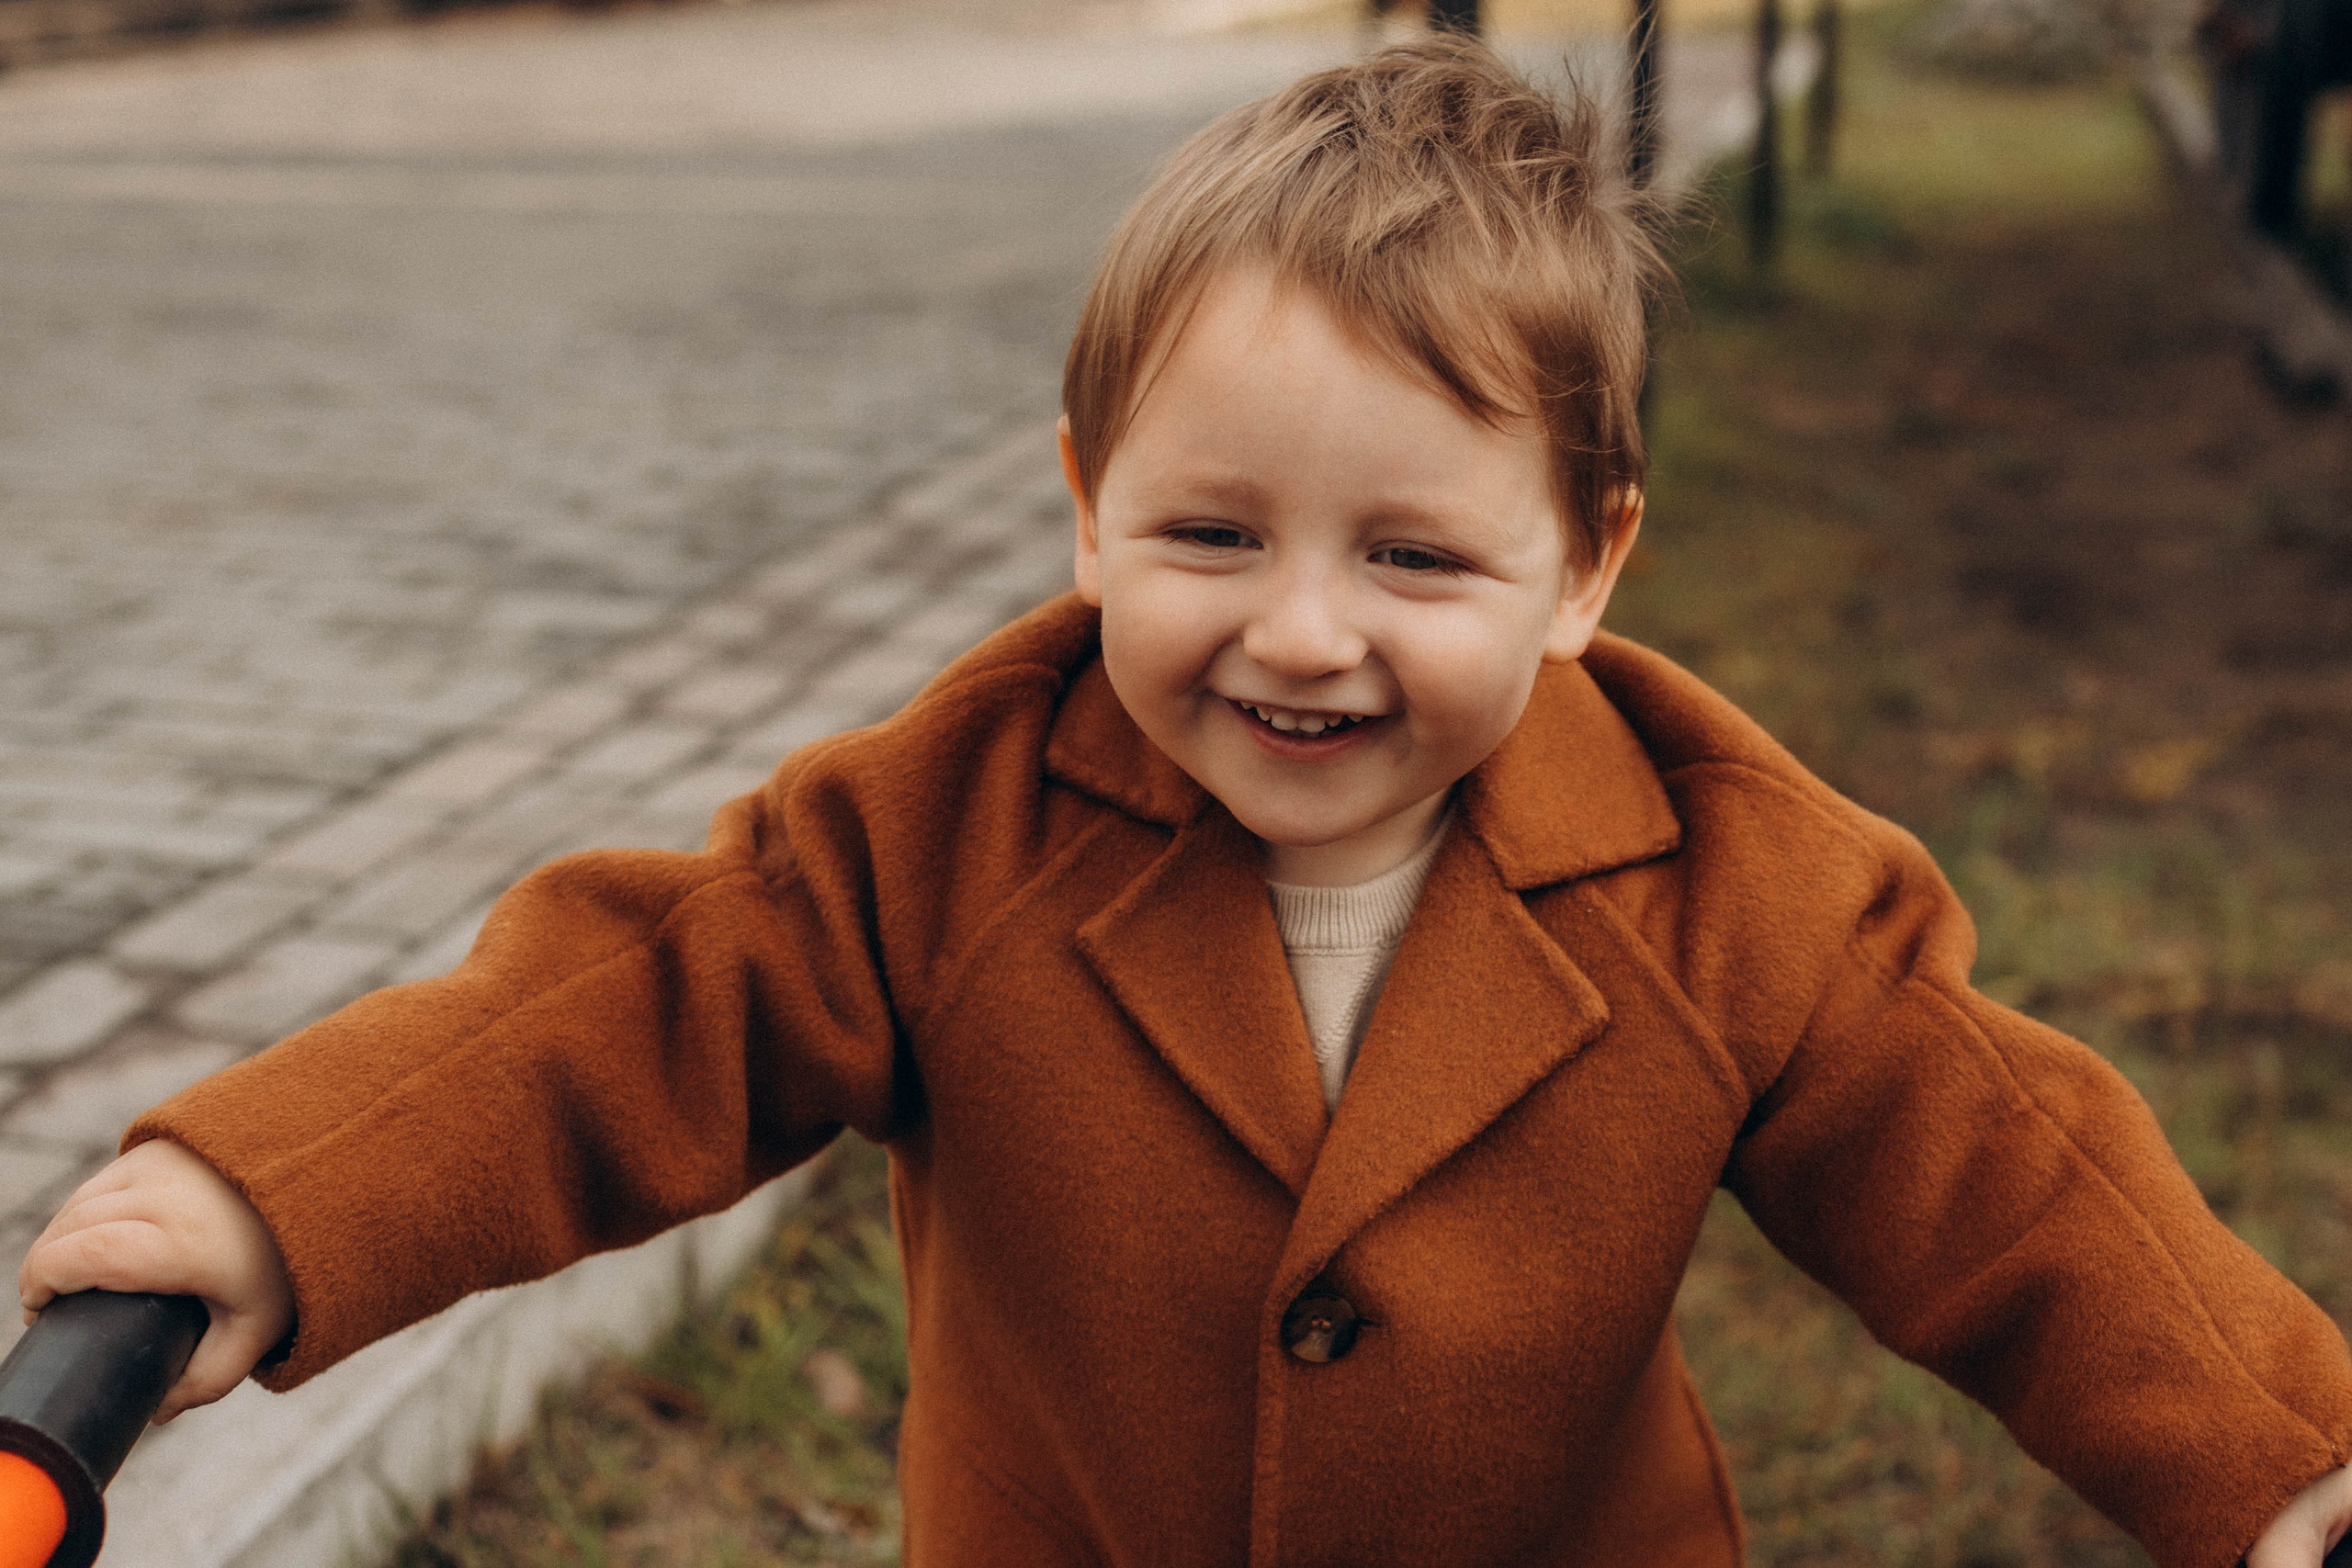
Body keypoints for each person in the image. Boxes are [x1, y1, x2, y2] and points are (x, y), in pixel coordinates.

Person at [18, 38, 2352, 1568]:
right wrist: (269, 1196)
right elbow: (616, 1011)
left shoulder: (1723, 874)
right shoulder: (949, 828)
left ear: (1588, 558)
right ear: (1082, 508)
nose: (1300, 634)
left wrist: (2276, 1464)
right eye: (1210, 535)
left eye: (1414, 554)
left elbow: (2014, 1181)